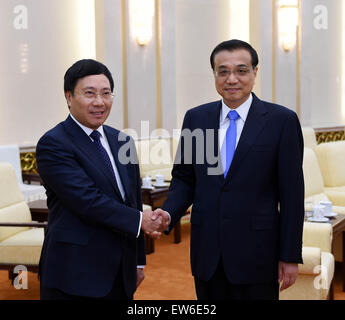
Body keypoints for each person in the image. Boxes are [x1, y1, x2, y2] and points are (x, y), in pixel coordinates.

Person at [160, 39, 305, 300]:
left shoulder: (281, 121)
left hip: (258, 254)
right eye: (223, 71)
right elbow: (184, 179)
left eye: (241, 70)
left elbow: (292, 194)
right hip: (208, 254)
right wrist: (169, 213)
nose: (232, 79)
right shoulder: (196, 118)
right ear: (214, 74)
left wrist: (290, 255)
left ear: (255, 72)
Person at [36, 59, 169, 300]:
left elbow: (133, 202)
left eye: (106, 93)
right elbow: (87, 200)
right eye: (89, 93)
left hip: (121, 272)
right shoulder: (54, 143)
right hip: (75, 274)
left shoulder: (122, 141)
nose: (99, 102)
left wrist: (138, 262)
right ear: (69, 97)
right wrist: (141, 221)